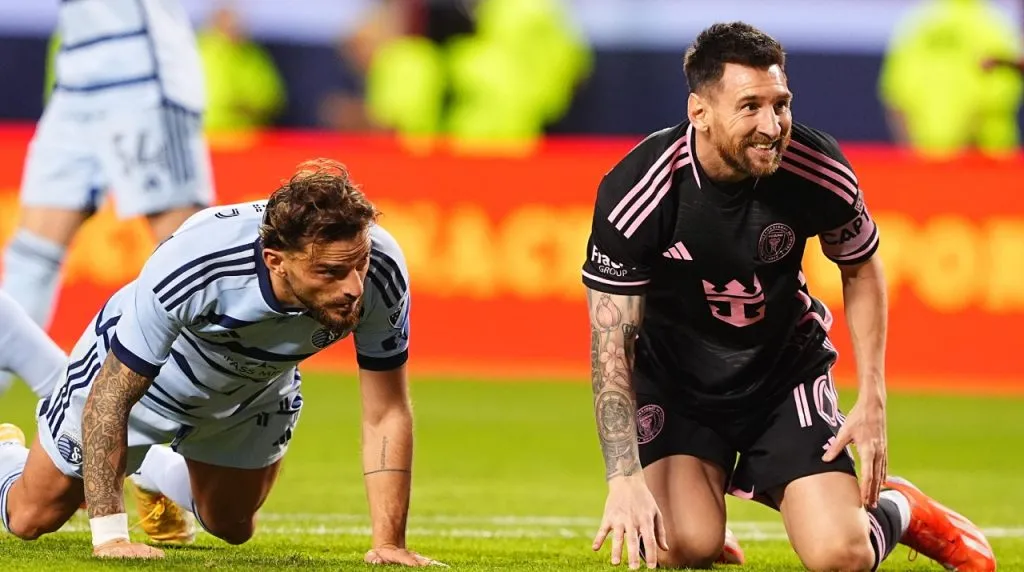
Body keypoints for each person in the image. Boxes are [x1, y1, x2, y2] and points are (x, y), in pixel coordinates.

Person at [581, 22, 996, 572]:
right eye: (750, 106)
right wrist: (624, 477)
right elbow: (612, 341)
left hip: (781, 377)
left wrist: (872, 399)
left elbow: (862, 267)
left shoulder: (815, 167)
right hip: (678, 385)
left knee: (839, 557)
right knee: (679, 547)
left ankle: (900, 506)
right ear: (699, 112)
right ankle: (697, 521)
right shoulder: (641, 190)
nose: (772, 126)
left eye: (781, 104)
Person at [0, 159, 441, 566]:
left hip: (253, 391)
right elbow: (111, 398)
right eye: (329, 272)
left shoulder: (378, 269)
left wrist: (389, 544)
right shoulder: (197, 264)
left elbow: (386, 410)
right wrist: (111, 536)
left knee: (231, 526)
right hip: (147, 383)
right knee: (31, 516)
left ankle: (150, 470)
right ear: (276, 261)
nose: (354, 288)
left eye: (358, 265)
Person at [0, 0, 216, 398]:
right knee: (29, 259)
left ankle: (230, 407)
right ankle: (74, 404)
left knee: (191, 256)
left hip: (141, 62)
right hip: (78, 68)